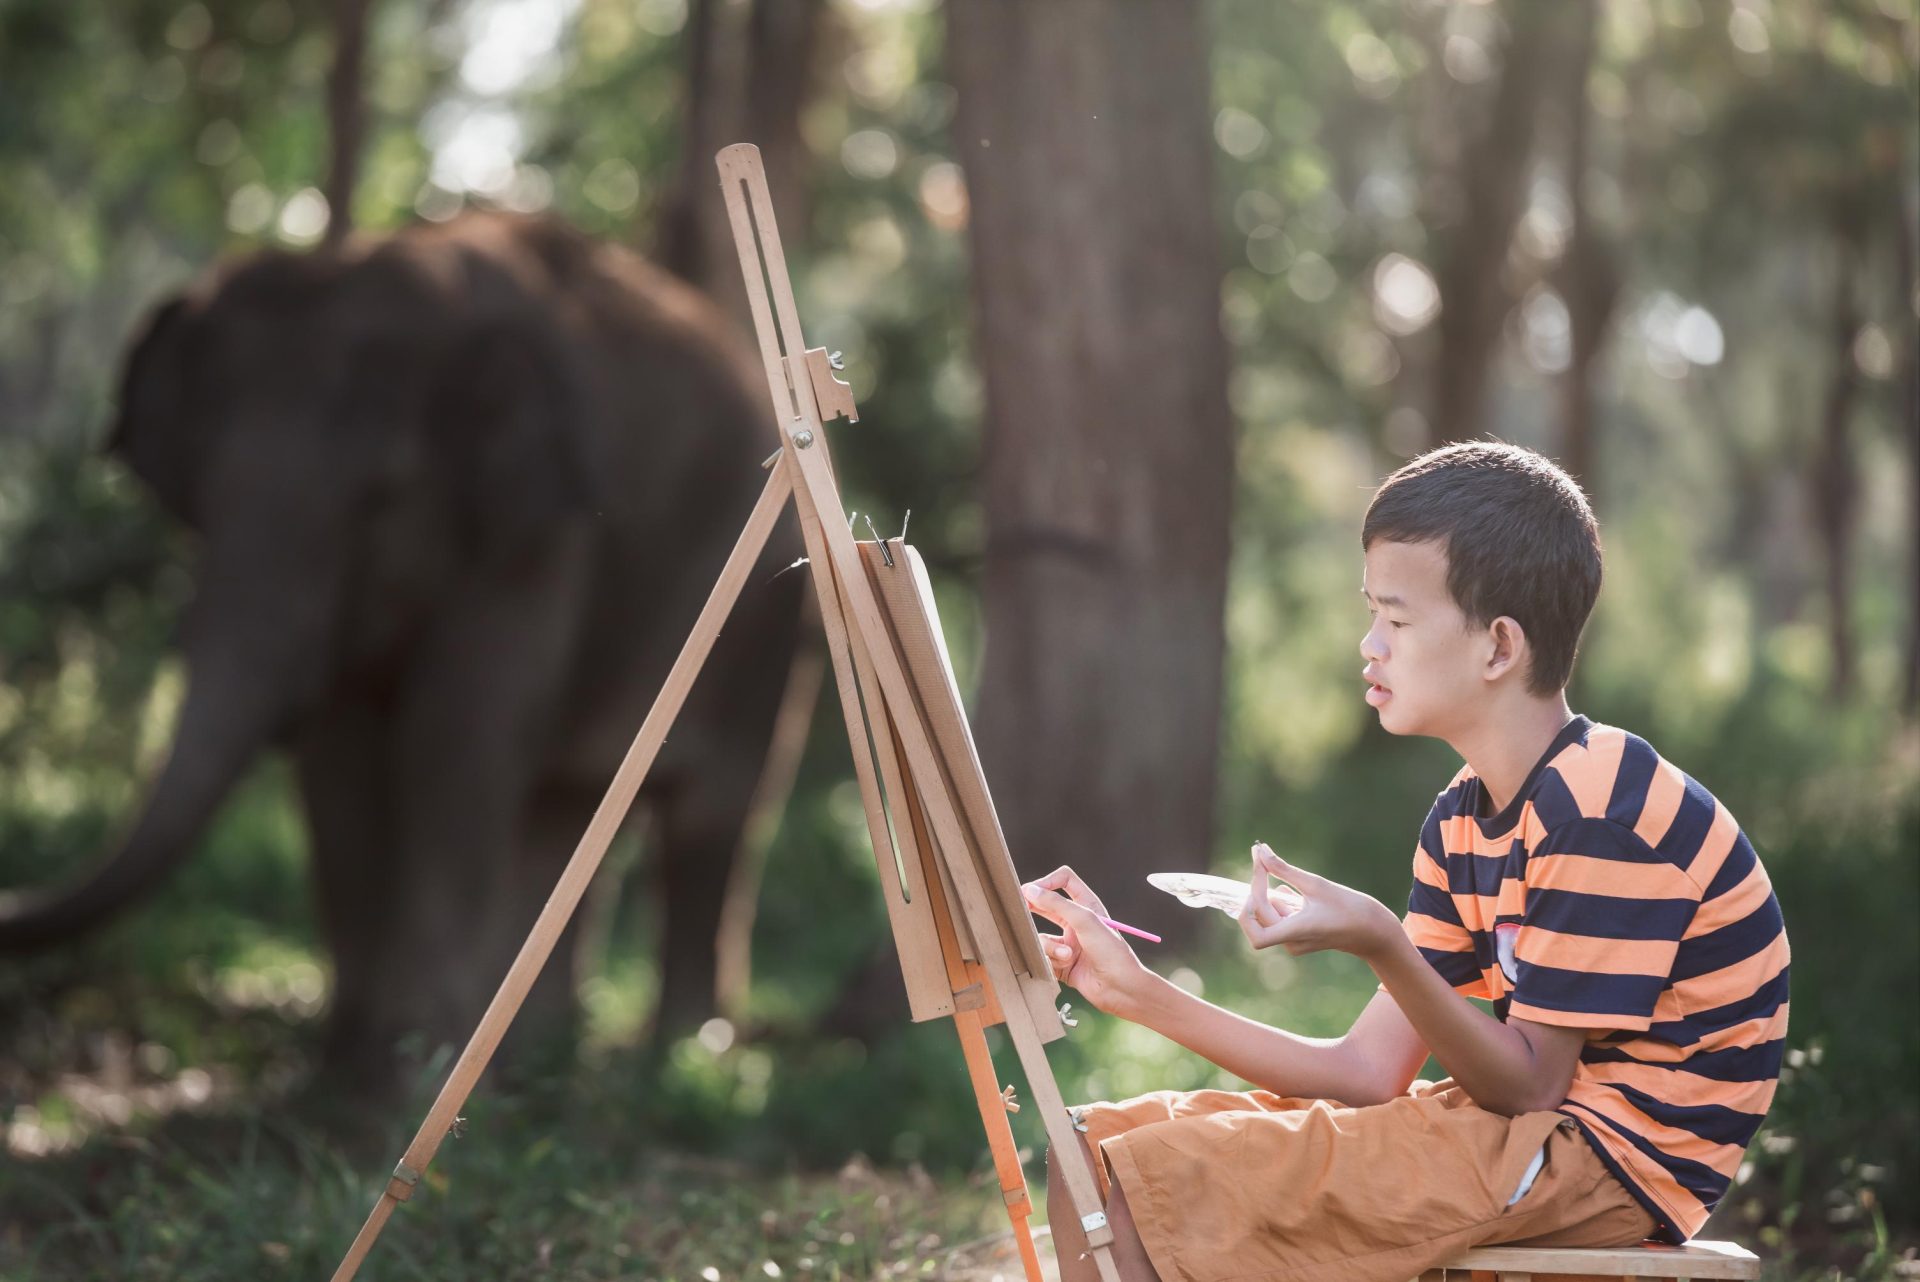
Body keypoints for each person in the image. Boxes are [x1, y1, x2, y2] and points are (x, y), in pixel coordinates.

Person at [1023, 442, 1788, 1282]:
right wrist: (1134, 990)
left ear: (1499, 647)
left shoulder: (1598, 810)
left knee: (1156, 1185)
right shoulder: (1463, 817)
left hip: (1604, 1160)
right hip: (1514, 1132)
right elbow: (1365, 1073)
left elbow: (1532, 1088)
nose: (1369, 645)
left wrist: (1382, 941)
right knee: (1094, 1153)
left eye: (1395, 618)